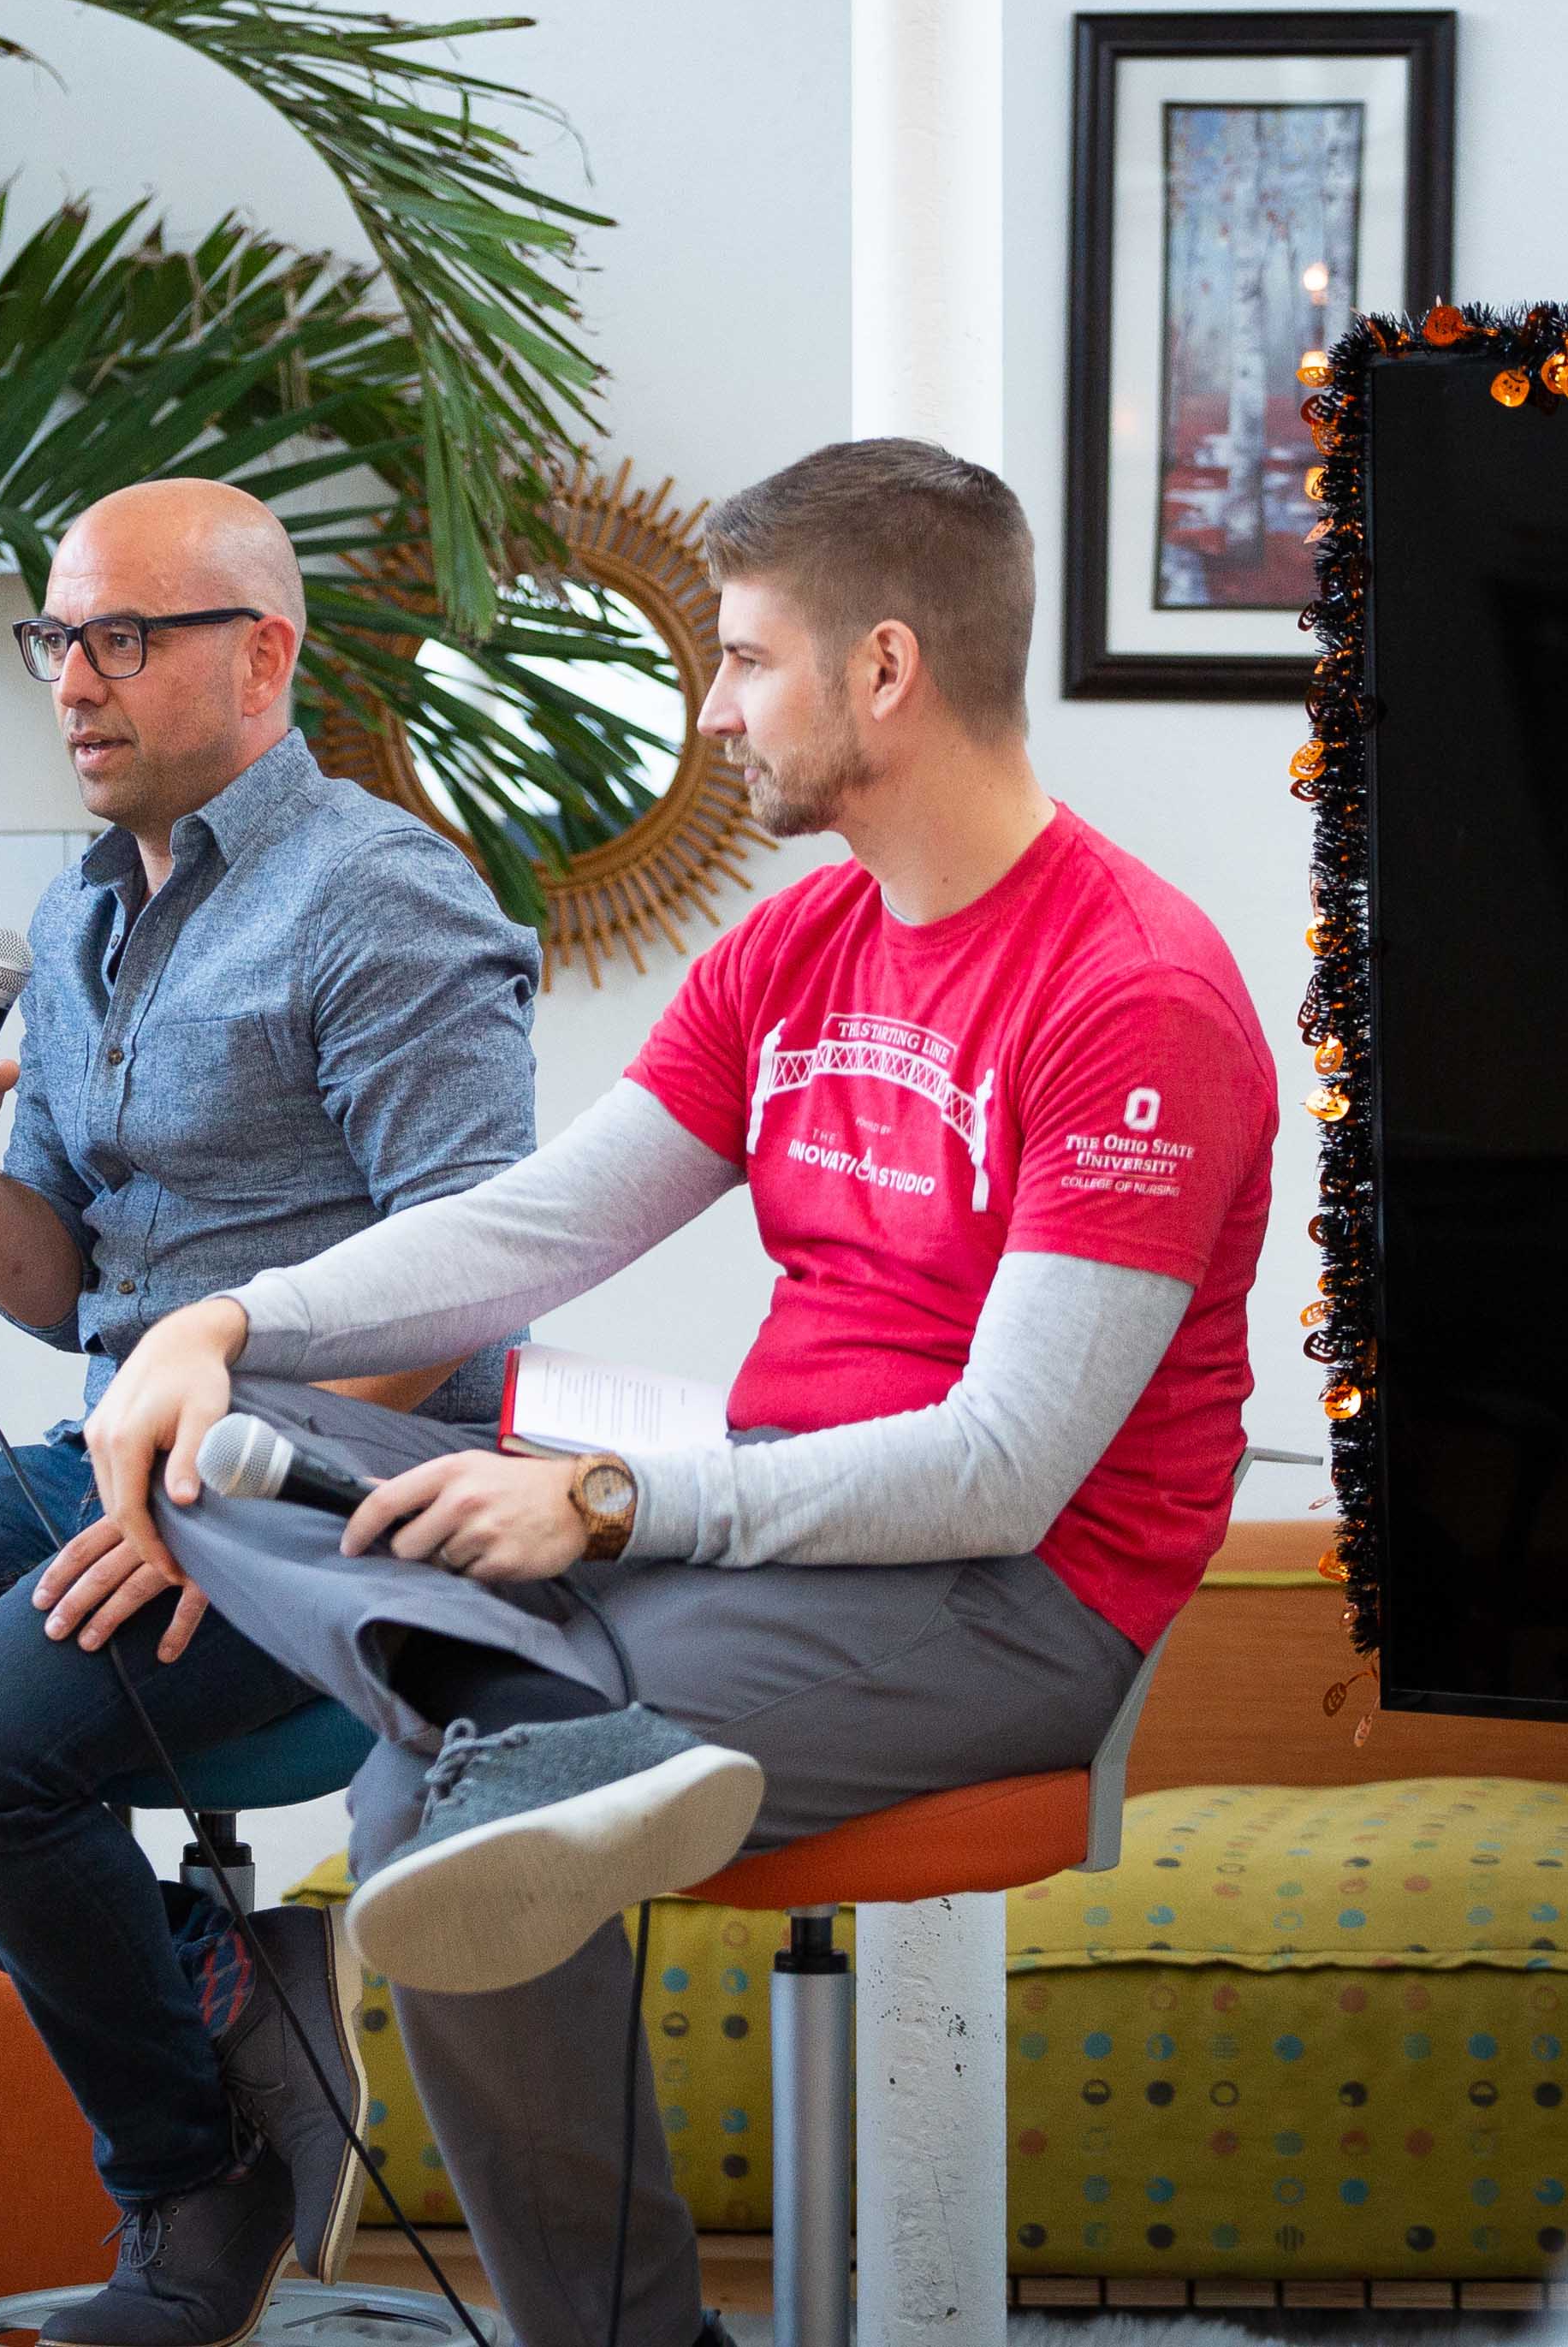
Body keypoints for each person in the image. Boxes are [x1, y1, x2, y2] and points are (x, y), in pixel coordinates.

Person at [80, 440, 1278, 2347]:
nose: (710, 705)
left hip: (1013, 1597)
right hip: (771, 1515)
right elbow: (539, 1225)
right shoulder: (797, 939)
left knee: (417, 1810)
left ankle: (624, 2324)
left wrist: (610, 1508)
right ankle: (507, 1700)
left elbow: (999, 1467)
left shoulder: (1133, 995)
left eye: (740, 658)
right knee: (225, 1450)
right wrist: (231, 1318)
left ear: (881, 669)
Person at [0, 478, 542, 2347]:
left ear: (262, 655)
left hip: (327, 1491)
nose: (72, 679)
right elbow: (56, 1288)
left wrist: (220, 1480)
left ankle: (182, 2179)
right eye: (57, 637)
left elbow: (473, 1266)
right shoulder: (70, 924)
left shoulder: (380, 891)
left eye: (123, 637)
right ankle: (212, 1978)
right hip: (98, 1447)